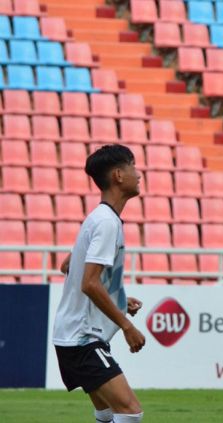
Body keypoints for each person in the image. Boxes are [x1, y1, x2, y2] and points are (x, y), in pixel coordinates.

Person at [52, 144, 146, 423]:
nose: (138, 174)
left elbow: (68, 265)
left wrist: (117, 300)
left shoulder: (100, 218)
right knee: (130, 411)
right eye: (133, 166)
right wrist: (127, 326)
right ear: (118, 174)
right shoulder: (106, 223)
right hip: (82, 338)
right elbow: (89, 284)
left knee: (106, 413)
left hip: (73, 335)